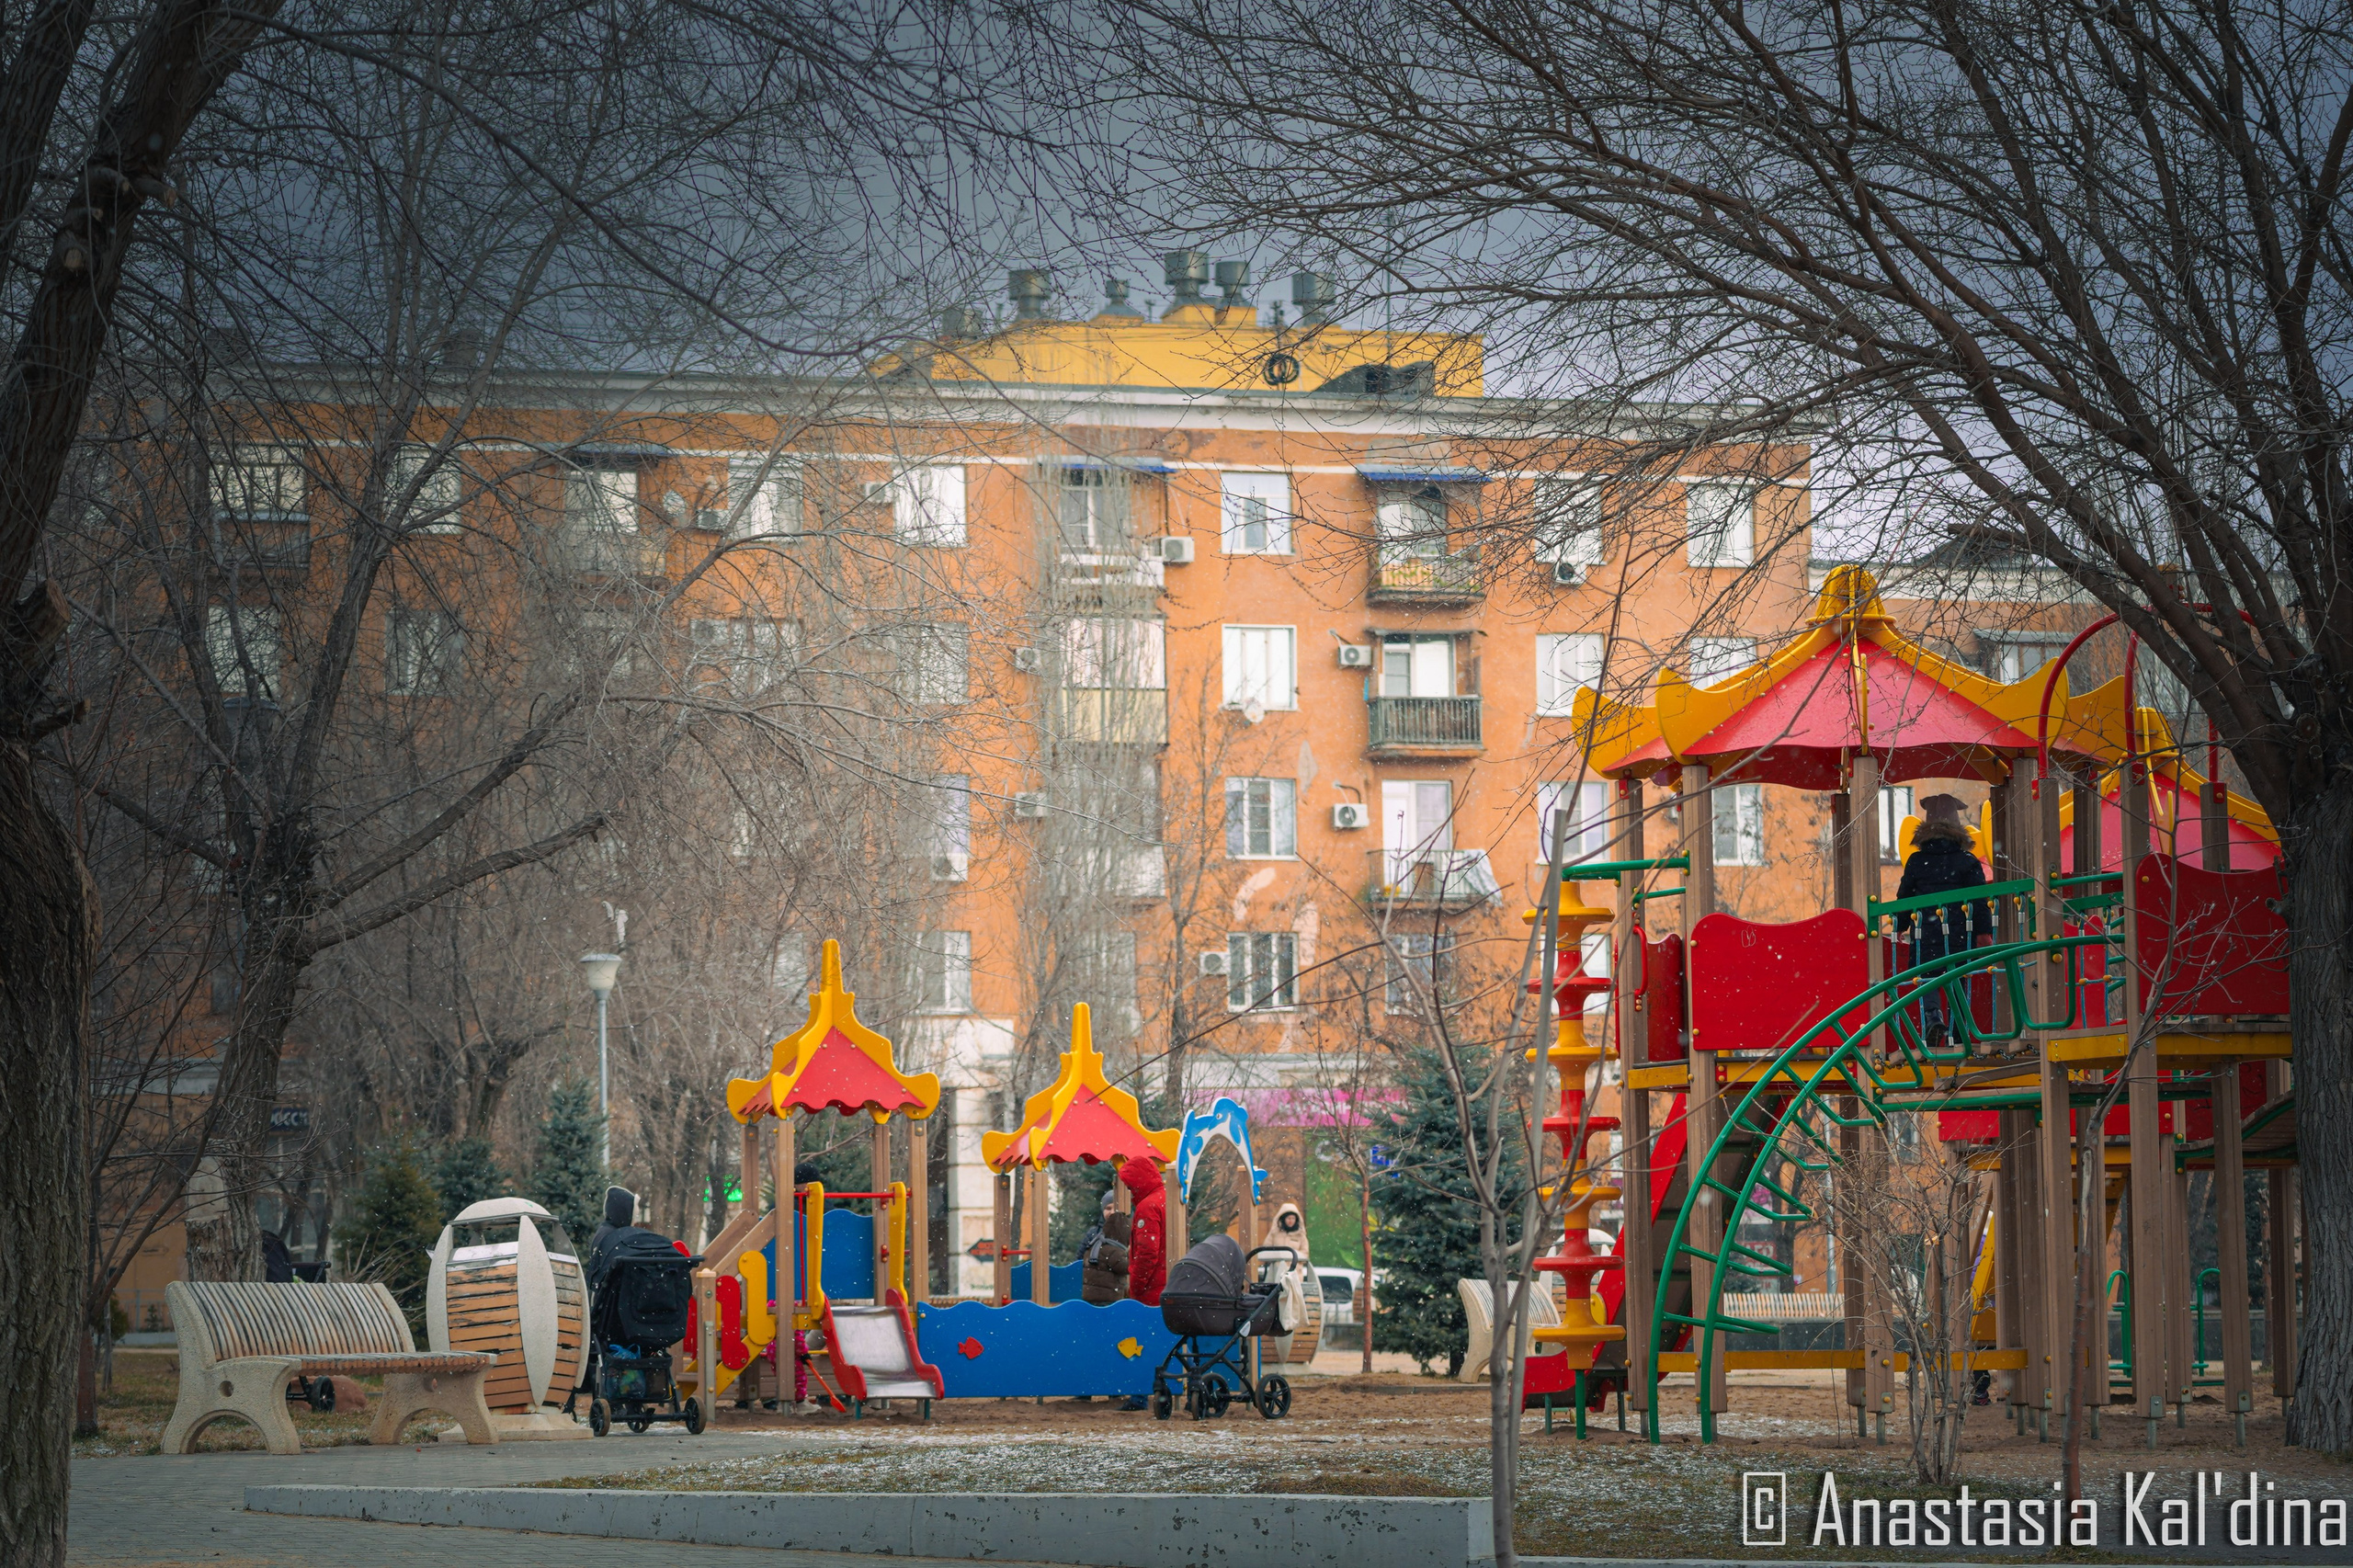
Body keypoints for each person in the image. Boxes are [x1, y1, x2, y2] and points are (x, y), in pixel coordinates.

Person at [1894, 794, 1993, 1042]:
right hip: (1960, 933)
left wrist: (1901, 922)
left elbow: (1905, 895)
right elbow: (1979, 900)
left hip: (1926, 932)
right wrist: (1983, 931)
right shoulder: (1967, 861)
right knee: (1959, 977)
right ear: (1957, 828)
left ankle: (1933, 1015)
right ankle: (1959, 1033)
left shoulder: (1917, 861)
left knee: (1926, 974)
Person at [1118, 1159, 1167, 1410]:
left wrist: (1135, 1287)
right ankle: (1163, 1392)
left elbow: (1147, 1253)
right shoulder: (1166, 1199)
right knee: (1162, 1343)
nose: (1129, 1191)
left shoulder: (1148, 1207)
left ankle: (1139, 1396)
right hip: (1167, 1285)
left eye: (1129, 1186)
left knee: (1141, 1342)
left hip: (1151, 1289)